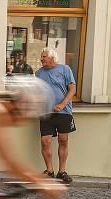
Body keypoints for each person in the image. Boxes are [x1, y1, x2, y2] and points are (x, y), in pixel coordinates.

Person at [35, 47, 75, 184]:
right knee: (45, 141)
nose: (41, 59)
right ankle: (49, 171)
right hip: (46, 112)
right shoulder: (39, 73)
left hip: (63, 112)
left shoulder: (65, 69)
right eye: (41, 56)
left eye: (44, 56)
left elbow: (72, 89)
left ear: (52, 58)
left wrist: (62, 104)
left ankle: (62, 172)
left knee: (63, 140)